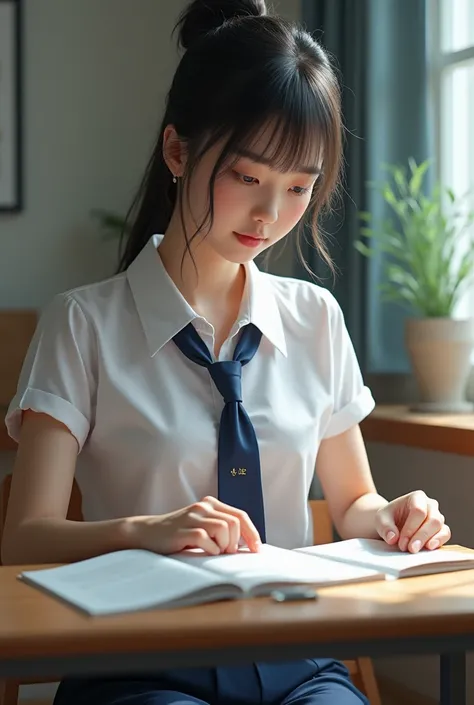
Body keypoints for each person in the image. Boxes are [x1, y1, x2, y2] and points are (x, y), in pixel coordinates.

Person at [2, 1, 451, 703]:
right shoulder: (83, 324)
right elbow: (24, 539)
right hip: (137, 663)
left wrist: (398, 513)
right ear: (178, 151)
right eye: (247, 178)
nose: (270, 215)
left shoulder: (315, 319)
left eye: (299, 187)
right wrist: (151, 531)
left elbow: (355, 498)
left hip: (297, 660)